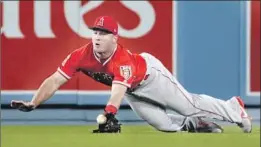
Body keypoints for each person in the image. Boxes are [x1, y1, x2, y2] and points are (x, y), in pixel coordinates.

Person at [11, 16, 251, 133]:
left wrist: (109, 113)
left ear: (114, 38)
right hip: (132, 90)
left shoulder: (122, 58)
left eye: (103, 33)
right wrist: (34, 102)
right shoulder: (80, 55)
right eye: (95, 31)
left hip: (150, 76)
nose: (97, 36)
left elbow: (118, 89)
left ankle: (233, 108)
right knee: (164, 125)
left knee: (189, 104)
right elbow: (55, 80)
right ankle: (194, 124)